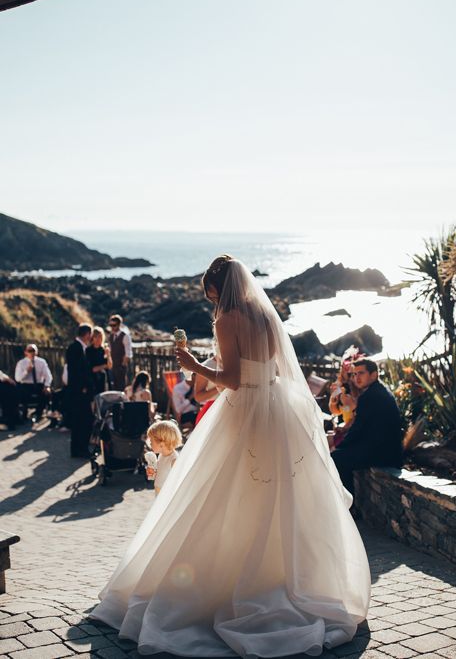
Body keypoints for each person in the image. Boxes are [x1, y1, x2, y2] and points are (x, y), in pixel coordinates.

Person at [90, 254, 369, 657]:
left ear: (220, 288)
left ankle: (226, 584)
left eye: (211, 294)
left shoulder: (226, 320)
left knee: (221, 497)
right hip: (277, 411)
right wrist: (210, 366)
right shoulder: (264, 315)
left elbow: (233, 380)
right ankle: (278, 578)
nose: (212, 303)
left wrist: (191, 364)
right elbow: (263, 369)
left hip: (244, 414)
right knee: (276, 500)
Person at [331, 358, 404, 497]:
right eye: (354, 374)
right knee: (339, 456)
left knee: (336, 458)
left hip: (383, 454)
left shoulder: (371, 396)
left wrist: (340, 446)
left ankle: (349, 505)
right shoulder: (377, 391)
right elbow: (363, 426)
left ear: (374, 375)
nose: (356, 378)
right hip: (384, 449)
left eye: (361, 373)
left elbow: (358, 428)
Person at [66, 323, 94, 458]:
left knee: (82, 420)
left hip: (79, 391)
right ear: (87, 334)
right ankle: (79, 449)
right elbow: (76, 371)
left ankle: (79, 448)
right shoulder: (75, 348)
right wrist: (82, 387)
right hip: (79, 392)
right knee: (82, 420)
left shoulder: (79, 348)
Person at [14, 344, 53, 421]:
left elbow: (48, 376)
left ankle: (38, 413)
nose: (31, 353)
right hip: (25, 385)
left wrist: (47, 386)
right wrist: (26, 371)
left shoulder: (41, 362)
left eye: (33, 351)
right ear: (26, 352)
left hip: (38, 384)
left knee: (47, 393)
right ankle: (24, 413)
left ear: (36, 352)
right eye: (29, 351)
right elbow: (17, 378)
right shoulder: (21, 363)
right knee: (21, 392)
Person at [145, 420, 182, 496]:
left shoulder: (174, 460)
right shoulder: (161, 455)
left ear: (161, 444)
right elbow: (160, 473)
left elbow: (177, 483)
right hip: (158, 493)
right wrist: (152, 471)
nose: (150, 444)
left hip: (167, 496)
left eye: (151, 441)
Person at [193, 354, 221, 425]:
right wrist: (220, 387)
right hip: (213, 411)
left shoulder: (238, 362)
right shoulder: (206, 366)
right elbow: (198, 397)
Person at [108, 314, 133, 391]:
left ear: (119, 325)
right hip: (113, 367)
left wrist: (122, 366)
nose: (112, 327)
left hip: (121, 367)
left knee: (121, 387)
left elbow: (128, 353)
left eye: (114, 325)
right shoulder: (111, 336)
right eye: (110, 325)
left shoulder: (125, 336)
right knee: (113, 387)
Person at [87, 326, 111, 395]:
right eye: (96, 337)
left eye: (100, 337)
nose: (98, 339)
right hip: (93, 380)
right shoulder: (89, 351)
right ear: (92, 338)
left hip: (104, 379)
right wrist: (104, 366)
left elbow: (109, 366)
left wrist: (108, 355)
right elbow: (93, 369)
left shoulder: (104, 350)